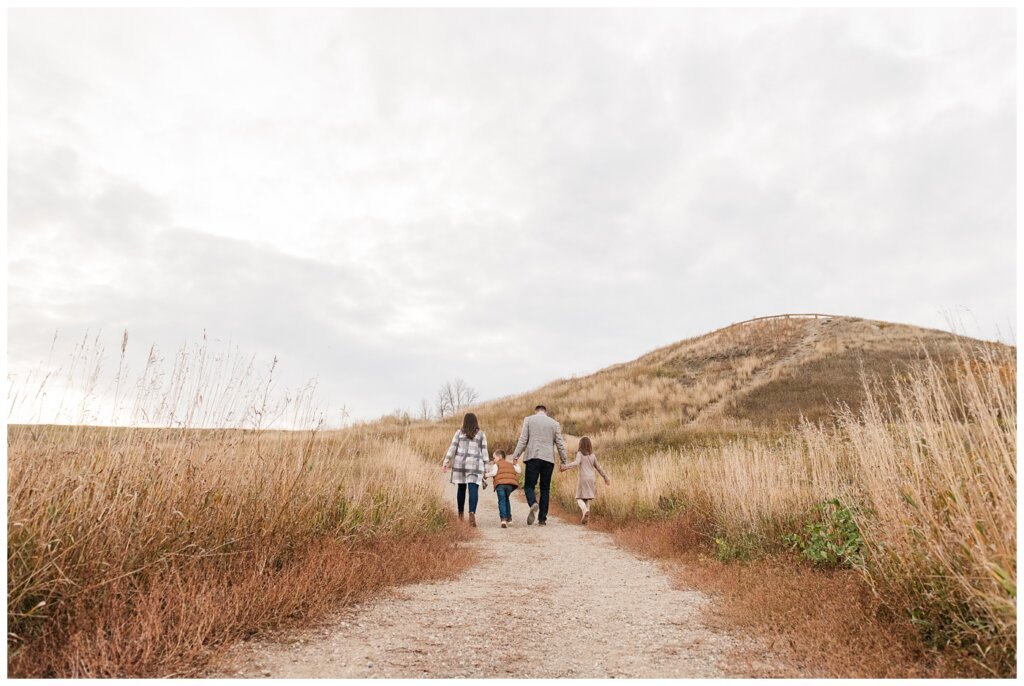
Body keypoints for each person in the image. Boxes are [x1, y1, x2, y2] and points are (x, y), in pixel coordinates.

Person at [510, 404, 567, 526]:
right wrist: (563, 461)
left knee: (529, 485)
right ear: (545, 412)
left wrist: (516, 455)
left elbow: (523, 439)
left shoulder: (529, 420)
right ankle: (542, 519)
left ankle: (533, 503)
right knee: (545, 488)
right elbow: (560, 444)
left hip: (533, 457)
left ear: (536, 411)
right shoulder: (554, 423)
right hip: (548, 459)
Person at [442, 412, 488, 527]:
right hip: (475, 465)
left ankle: (461, 515)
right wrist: (486, 468)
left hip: (461, 464)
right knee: (473, 489)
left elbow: (452, 448)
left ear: (464, 422)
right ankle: (472, 513)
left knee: (461, 489)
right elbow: (484, 452)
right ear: (476, 421)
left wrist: (446, 462)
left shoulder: (459, 433)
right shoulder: (481, 435)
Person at [560, 436, 610, 524]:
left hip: (583, 478)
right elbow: (599, 468)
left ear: (580, 445)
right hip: (592, 479)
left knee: (579, 497)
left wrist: (565, 467)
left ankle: (584, 510)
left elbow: (576, 463)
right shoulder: (593, 455)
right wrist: (605, 477)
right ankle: (585, 519)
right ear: (590, 445)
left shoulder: (580, 454)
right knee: (586, 499)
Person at [484, 450, 521, 528]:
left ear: (500, 457)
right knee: (506, 499)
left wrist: (486, 475)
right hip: (510, 485)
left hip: (500, 485)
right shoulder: (510, 464)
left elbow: (494, 473)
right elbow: (519, 470)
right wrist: (516, 463)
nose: (493, 460)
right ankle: (509, 519)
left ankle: (503, 520)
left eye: (494, 458)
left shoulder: (496, 464)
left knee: (501, 500)